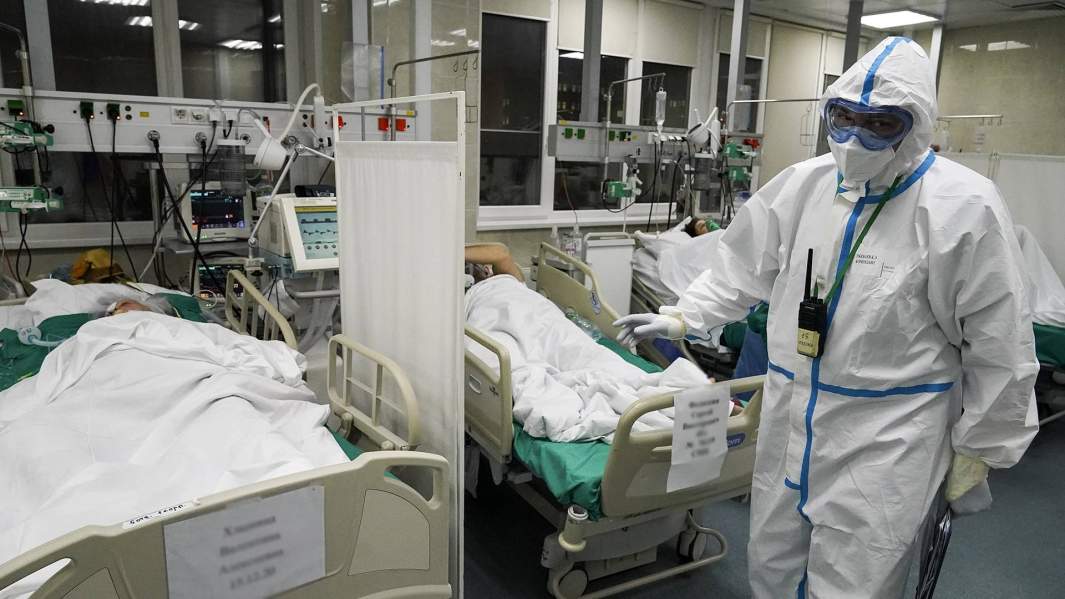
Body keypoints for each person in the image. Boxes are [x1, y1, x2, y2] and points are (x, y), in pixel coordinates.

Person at [615, 37, 1038, 598]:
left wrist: (980, 447)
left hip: (887, 438)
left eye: (880, 124)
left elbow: (1000, 341)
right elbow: (740, 267)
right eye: (844, 118)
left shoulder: (963, 207)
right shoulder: (802, 185)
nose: (855, 138)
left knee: (856, 583)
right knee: (771, 565)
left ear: (915, 126)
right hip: (789, 415)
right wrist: (683, 317)